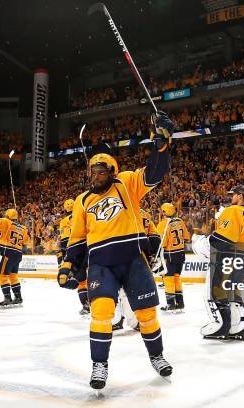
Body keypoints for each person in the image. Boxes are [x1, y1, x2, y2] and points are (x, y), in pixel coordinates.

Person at [57, 111, 174, 390]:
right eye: (92, 172)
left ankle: (157, 356)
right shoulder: (82, 201)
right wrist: (66, 265)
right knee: (101, 313)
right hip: (100, 264)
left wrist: (161, 143)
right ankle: (100, 365)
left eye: (100, 171)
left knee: (146, 315)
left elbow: (155, 172)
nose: (95, 176)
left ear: (111, 171)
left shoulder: (127, 183)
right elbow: (77, 238)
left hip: (133, 259)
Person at [201, 185, 244, 340]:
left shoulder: (233, 210)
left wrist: (204, 241)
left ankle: (221, 327)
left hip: (230, 256)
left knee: (218, 291)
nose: (232, 197)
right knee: (234, 292)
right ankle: (238, 328)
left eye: (234, 195)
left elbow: (224, 239)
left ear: (240, 196)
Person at [157, 203, 190, 312]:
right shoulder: (180, 221)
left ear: (164, 212)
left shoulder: (163, 224)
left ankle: (170, 304)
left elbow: (163, 243)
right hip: (181, 254)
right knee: (177, 277)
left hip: (169, 255)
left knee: (168, 279)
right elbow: (186, 237)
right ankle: (180, 303)